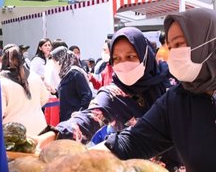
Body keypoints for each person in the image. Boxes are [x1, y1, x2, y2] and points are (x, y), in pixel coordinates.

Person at [103, 8, 216, 172]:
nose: (174, 53)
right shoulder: (177, 101)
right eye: (171, 46)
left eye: (180, 44)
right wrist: (79, 158)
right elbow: (134, 142)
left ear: (208, 40)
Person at [41, 27, 172, 149]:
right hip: (137, 170)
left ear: (145, 55)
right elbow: (87, 118)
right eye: (116, 58)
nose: (124, 63)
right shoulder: (114, 95)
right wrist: (53, 136)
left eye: (130, 56)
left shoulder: (171, 83)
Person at [0, 44, 50, 136]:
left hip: (16, 133)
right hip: (40, 128)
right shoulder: (35, 76)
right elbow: (44, 98)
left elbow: (0, 111)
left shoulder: (1, 81)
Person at [50, 46, 93, 122]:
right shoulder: (65, 74)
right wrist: (55, 92)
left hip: (74, 120)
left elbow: (87, 95)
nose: (54, 64)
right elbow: (69, 93)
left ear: (62, 60)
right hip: (66, 118)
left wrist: (80, 113)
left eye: (55, 61)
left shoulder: (75, 74)